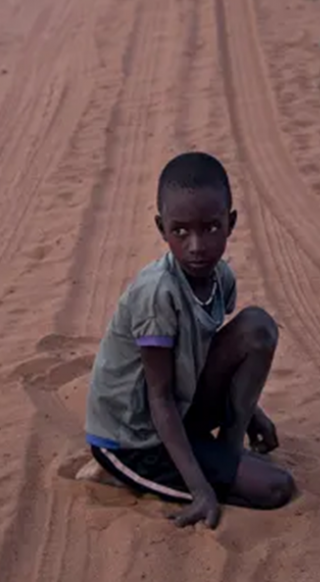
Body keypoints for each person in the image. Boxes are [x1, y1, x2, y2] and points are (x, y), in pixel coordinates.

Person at [83, 152, 296, 529]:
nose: (196, 245)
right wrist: (200, 490)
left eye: (211, 228)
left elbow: (206, 352)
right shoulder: (157, 294)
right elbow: (159, 397)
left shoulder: (220, 278)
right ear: (162, 228)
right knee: (276, 488)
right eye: (180, 231)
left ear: (230, 223)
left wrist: (251, 416)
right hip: (135, 439)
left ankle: (228, 452)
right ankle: (147, 474)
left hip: (177, 412)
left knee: (257, 327)